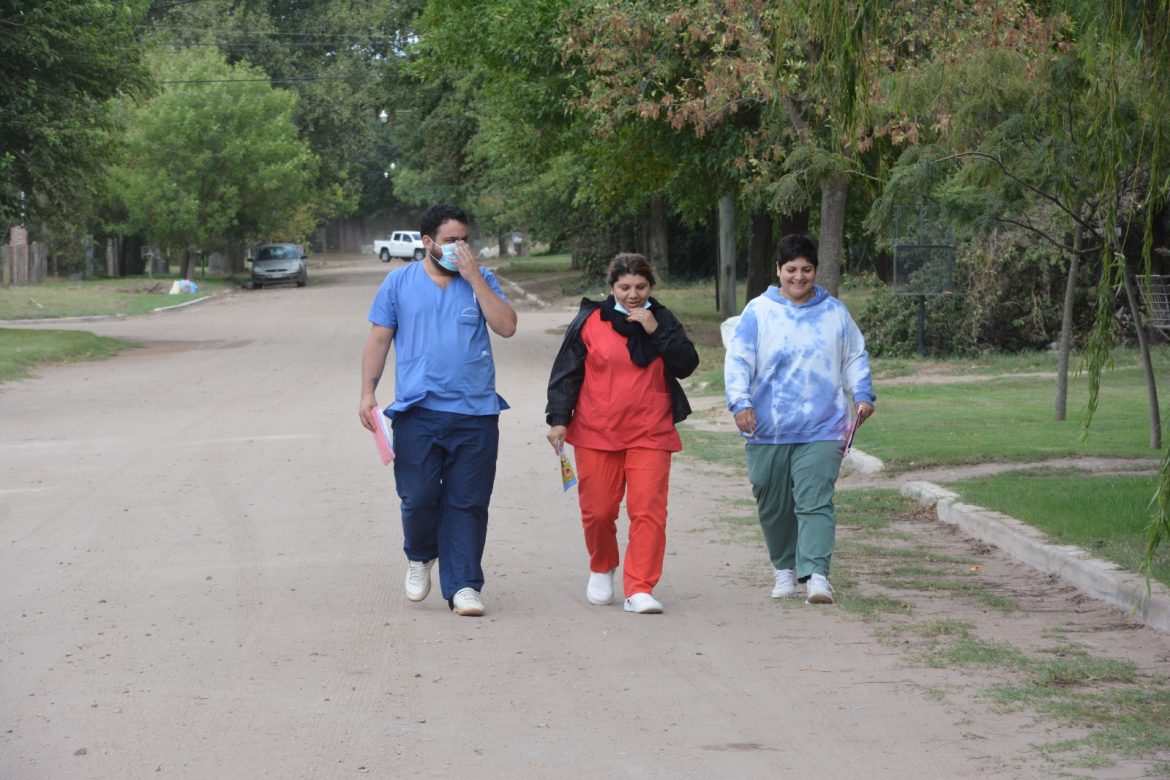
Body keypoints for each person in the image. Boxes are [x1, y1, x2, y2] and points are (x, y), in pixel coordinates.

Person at [359, 203, 517, 617]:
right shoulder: (398, 282)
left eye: (464, 240)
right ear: (427, 241)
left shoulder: (482, 279)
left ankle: (464, 585)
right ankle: (420, 553)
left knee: (468, 502)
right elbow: (379, 339)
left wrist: (474, 278)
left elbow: (506, 326)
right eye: (450, 241)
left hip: (475, 412)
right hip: (418, 412)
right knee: (418, 497)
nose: (459, 248)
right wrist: (367, 392)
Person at [723, 234, 875, 605]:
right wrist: (740, 402)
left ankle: (818, 575)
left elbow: (854, 356)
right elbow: (738, 359)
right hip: (767, 428)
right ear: (778, 270)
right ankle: (784, 570)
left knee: (815, 500)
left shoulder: (834, 312)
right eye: (791, 269)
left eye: (807, 269)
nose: (799, 277)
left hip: (823, 426)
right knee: (773, 504)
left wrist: (862, 393)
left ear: (816, 271)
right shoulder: (759, 311)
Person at [546, 253, 699, 614]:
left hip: (651, 429)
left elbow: (686, 364)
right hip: (596, 429)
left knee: (648, 511)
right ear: (611, 287)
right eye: (625, 287)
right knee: (598, 511)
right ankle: (602, 565)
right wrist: (558, 419)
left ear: (651, 287)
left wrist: (654, 329)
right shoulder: (590, 320)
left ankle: (640, 588)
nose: (633, 295)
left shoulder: (662, 319)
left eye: (641, 287)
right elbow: (567, 373)